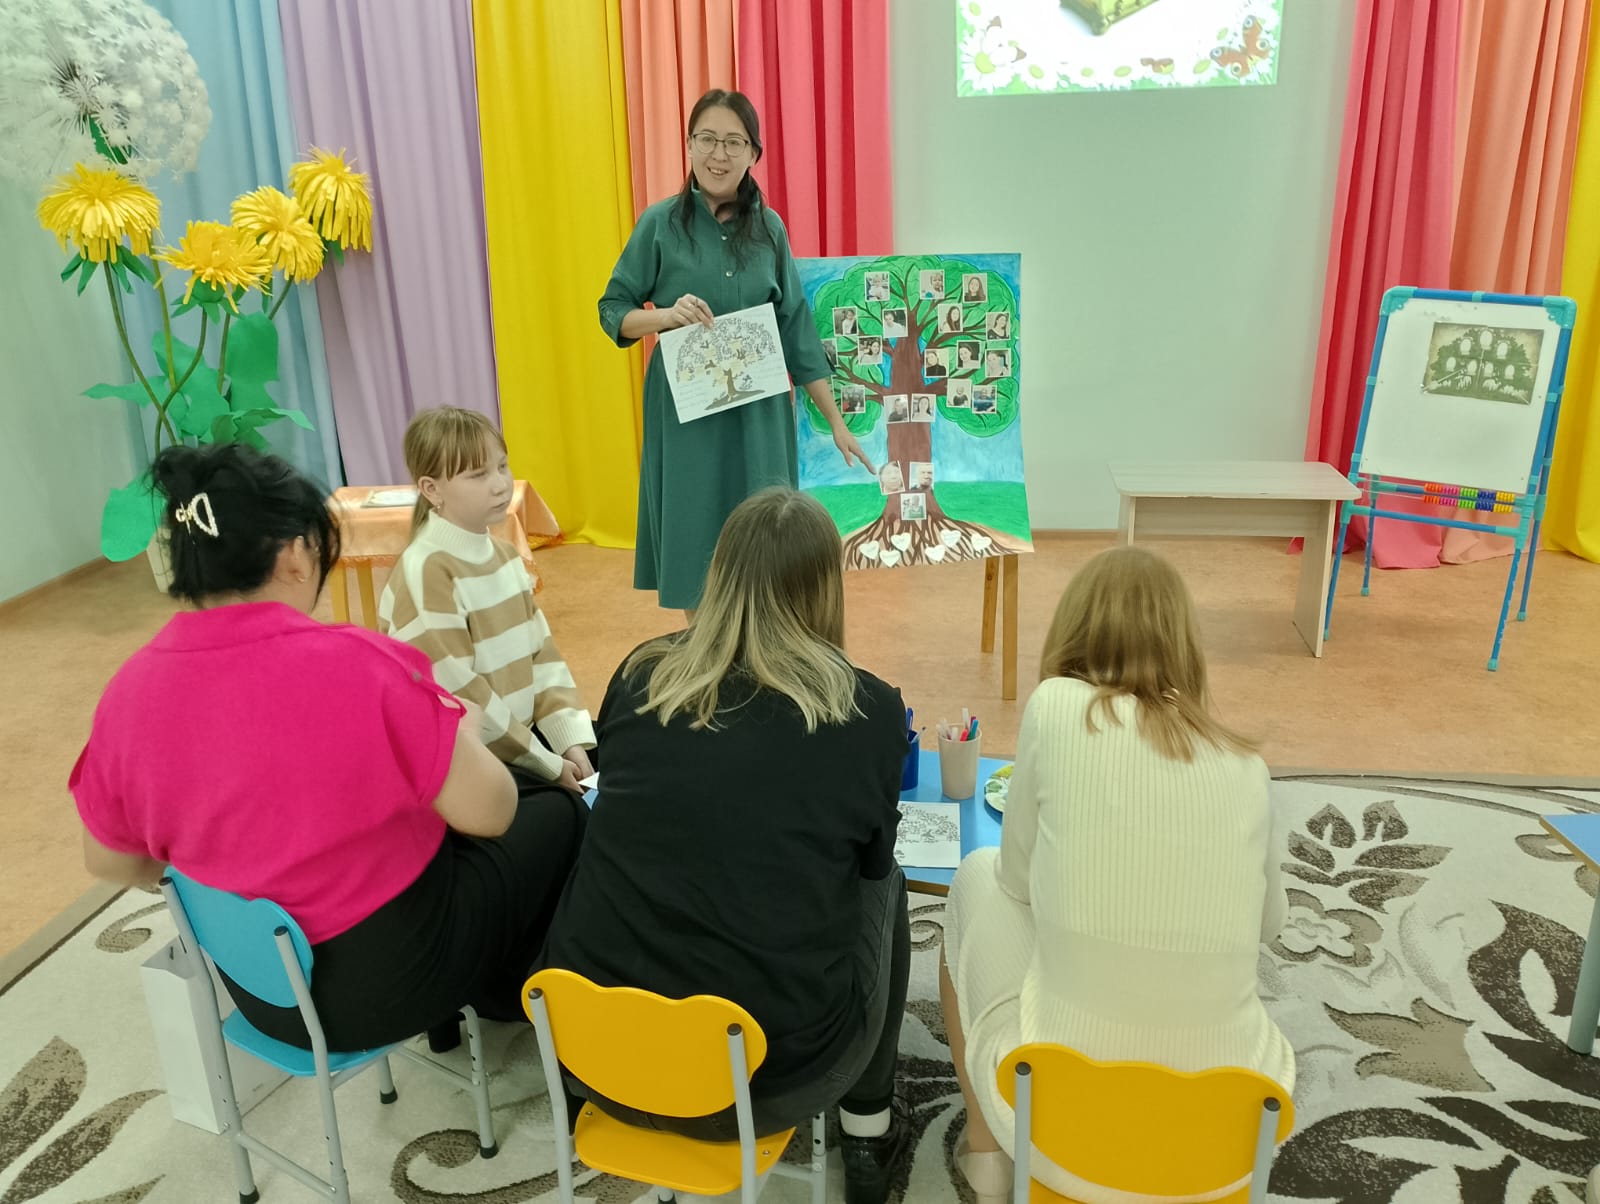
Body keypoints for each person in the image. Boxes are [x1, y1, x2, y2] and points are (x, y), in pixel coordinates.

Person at [68, 443, 587, 1053]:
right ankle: (524, 996)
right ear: (295, 553)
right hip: (394, 987)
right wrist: (464, 733)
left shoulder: (128, 691)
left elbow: (112, 862)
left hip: (264, 998)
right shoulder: (361, 664)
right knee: (558, 810)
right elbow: (492, 813)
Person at [538, 489, 913, 1204]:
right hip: (771, 1079)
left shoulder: (642, 673)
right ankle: (868, 1128)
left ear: (719, 576)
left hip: (591, 1054)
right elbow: (868, 864)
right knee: (886, 880)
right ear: (826, 588)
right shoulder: (867, 709)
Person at [939, 547, 1292, 1203]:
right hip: (1226, 1146)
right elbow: (1271, 925)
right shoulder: (1248, 767)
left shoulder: (1055, 707)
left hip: (1058, 1131)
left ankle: (987, 1159)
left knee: (976, 876)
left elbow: (1015, 882)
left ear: (1074, 629)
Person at [598, 88, 872, 616]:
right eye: (706, 139)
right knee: (695, 535)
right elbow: (613, 309)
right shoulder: (659, 224)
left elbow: (796, 329)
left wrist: (836, 422)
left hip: (758, 413)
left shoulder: (770, 229)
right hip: (686, 414)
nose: (718, 155)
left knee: (767, 537)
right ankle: (705, 651)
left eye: (733, 142)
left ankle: (762, 651)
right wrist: (664, 317)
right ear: (688, 145)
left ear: (754, 154)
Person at [379, 407, 596, 799]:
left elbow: (542, 655)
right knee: (566, 817)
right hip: (466, 764)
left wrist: (568, 741)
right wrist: (545, 762)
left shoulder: (506, 556)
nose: (500, 485)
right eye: (478, 475)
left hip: (516, 744)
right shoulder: (426, 570)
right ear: (431, 489)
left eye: (502, 466)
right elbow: (461, 696)